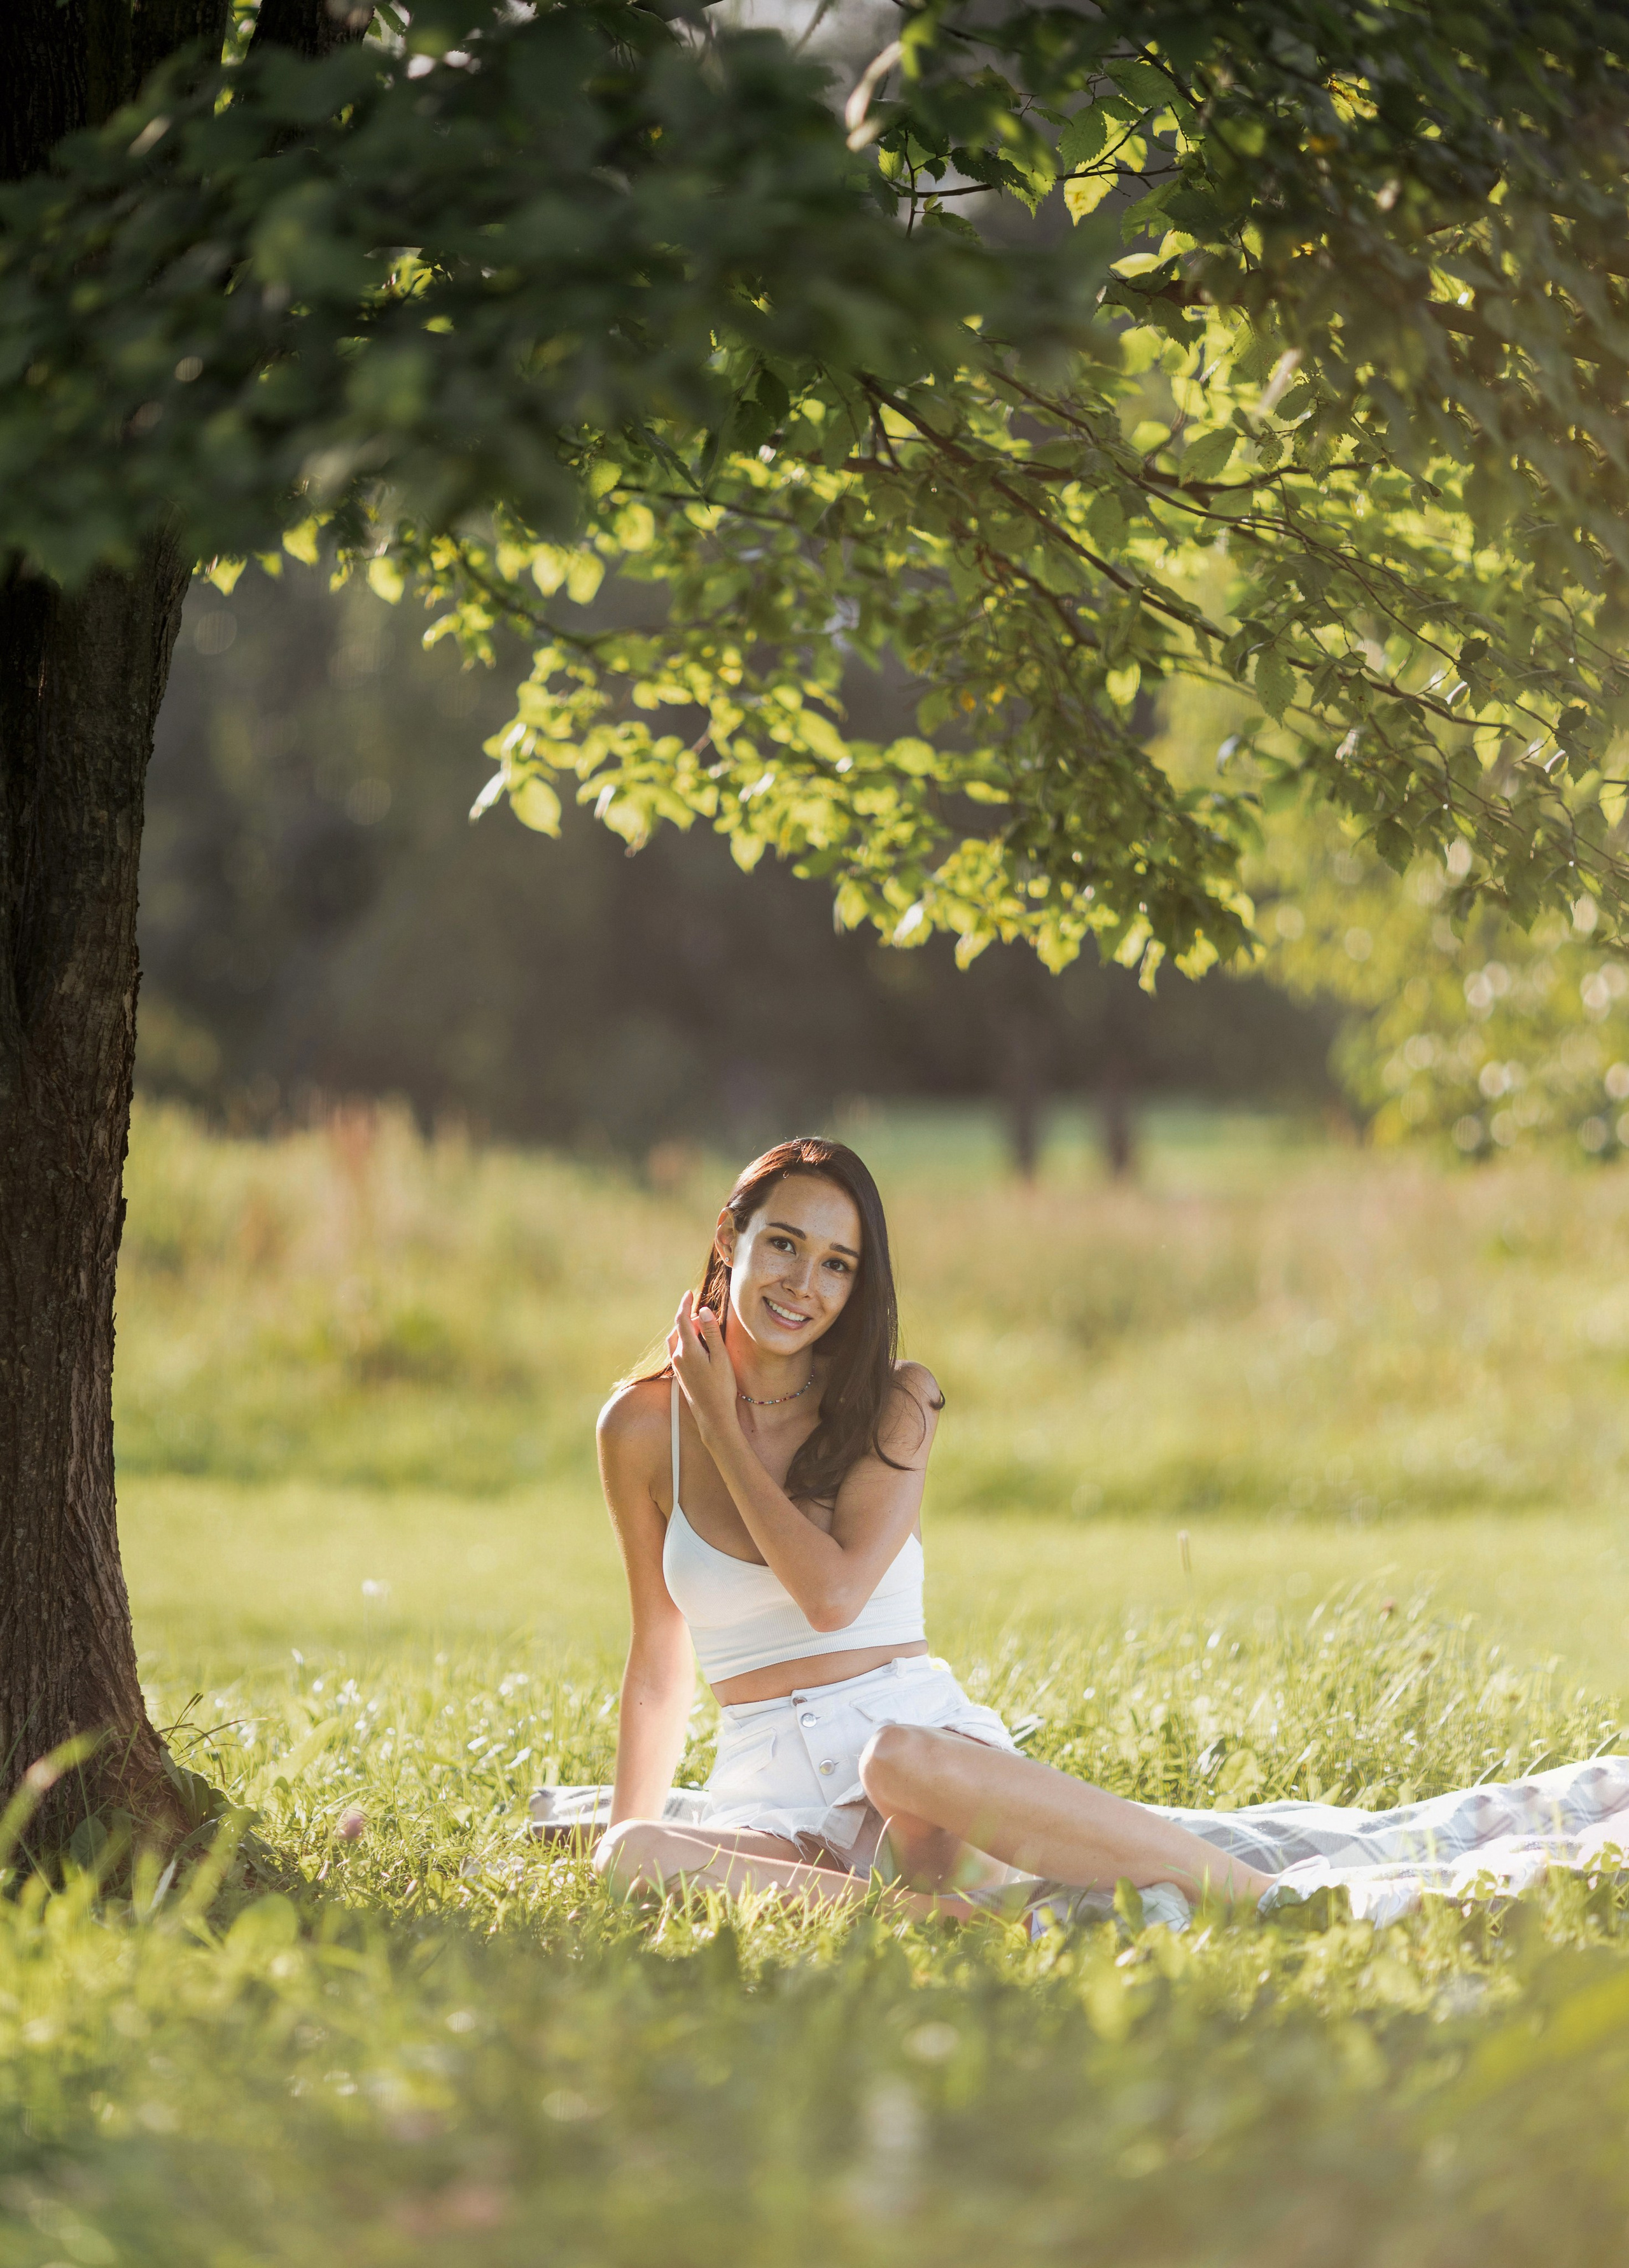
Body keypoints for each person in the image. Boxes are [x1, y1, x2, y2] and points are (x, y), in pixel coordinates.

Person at [591, 1135, 1275, 1921]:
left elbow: (831, 1599)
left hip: (925, 1780)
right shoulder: (637, 1429)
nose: (802, 1285)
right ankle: (951, 1923)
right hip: (772, 1803)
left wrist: (718, 1424)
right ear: (727, 1237)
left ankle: (1266, 1898)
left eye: (837, 1264)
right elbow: (657, 1659)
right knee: (630, 1856)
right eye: (782, 1244)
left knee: (897, 1758)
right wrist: (623, 1835)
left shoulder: (897, 1402)